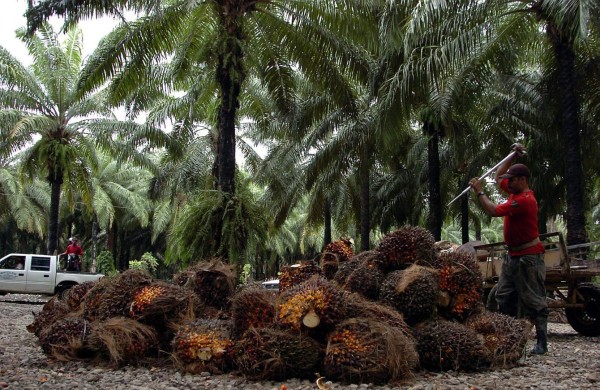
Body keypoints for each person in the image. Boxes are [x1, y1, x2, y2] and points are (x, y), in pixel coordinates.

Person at [469, 147, 548, 355]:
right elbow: (497, 177)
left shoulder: (524, 200)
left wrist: (479, 191)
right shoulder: (514, 191)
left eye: (511, 180)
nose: (508, 183)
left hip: (529, 258)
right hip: (513, 256)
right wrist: (512, 155)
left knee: (534, 300)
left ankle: (542, 343)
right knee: (503, 296)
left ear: (521, 180)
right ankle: (510, 337)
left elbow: (494, 211)